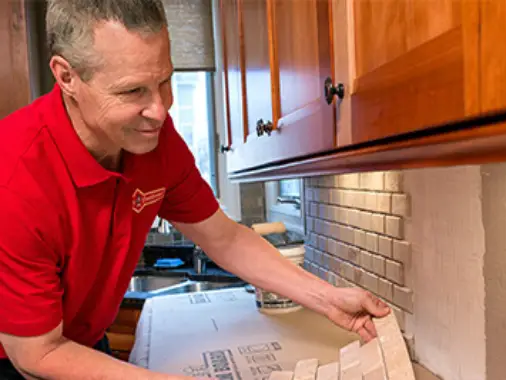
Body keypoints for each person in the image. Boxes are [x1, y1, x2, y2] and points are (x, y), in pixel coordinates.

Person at [0, 0, 390, 378]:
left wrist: (329, 299)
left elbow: (225, 239)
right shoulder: (15, 177)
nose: (160, 110)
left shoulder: (150, 139)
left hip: (83, 344)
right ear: (67, 77)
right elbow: (38, 354)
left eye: (165, 80)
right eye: (132, 91)